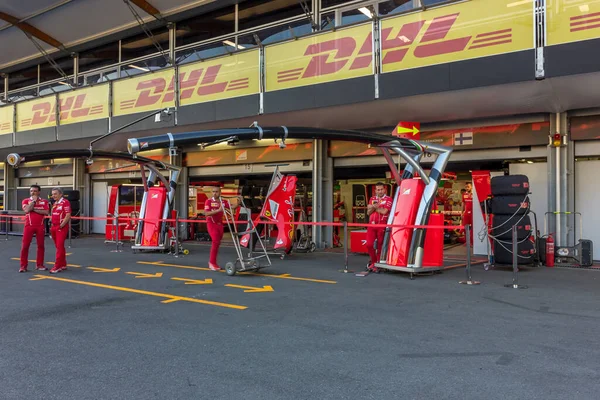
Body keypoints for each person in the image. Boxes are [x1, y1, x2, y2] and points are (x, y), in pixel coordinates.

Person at [203, 186, 240, 271]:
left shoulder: (223, 201)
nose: (214, 193)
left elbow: (232, 207)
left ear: (220, 192)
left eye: (216, 191)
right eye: (213, 191)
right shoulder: (208, 201)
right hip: (211, 223)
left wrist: (238, 202)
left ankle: (213, 262)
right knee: (215, 241)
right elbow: (206, 213)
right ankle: (212, 262)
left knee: (217, 243)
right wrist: (218, 210)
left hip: (220, 224)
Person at [19, 185, 50, 273]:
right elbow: (27, 210)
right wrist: (33, 202)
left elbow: (46, 212)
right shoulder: (26, 200)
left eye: (35, 191)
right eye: (31, 191)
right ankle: (23, 266)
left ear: (39, 192)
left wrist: (34, 209)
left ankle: (40, 265)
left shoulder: (44, 201)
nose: (33, 192)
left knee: (41, 246)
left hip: (40, 226)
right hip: (29, 226)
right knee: (25, 246)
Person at [366, 182, 393, 272]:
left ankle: (378, 263)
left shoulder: (388, 199)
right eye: (378, 189)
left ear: (384, 189)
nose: (380, 191)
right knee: (369, 244)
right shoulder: (372, 198)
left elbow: (384, 211)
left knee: (380, 245)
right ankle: (374, 262)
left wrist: (373, 207)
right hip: (371, 225)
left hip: (382, 225)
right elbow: (368, 213)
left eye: (381, 189)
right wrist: (375, 207)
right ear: (375, 190)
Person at [49, 187, 71, 274]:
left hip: (60, 227)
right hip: (54, 227)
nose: (53, 196)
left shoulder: (65, 202)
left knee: (59, 246)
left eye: (55, 194)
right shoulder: (55, 203)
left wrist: (61, 225)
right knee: (58, 247)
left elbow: (68, 215)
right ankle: (63, 264)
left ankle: (57, 266)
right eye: (52, 194)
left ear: (61, 194)